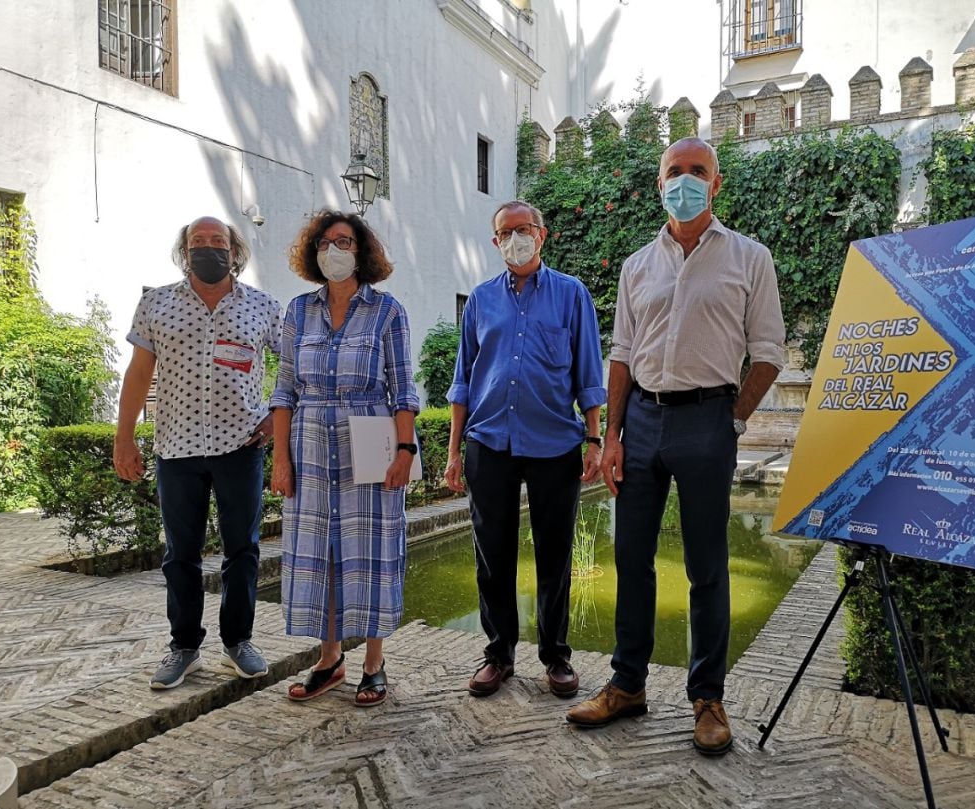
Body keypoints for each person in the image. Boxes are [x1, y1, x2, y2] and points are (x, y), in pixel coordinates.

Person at [566, 138, 785, 756]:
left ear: (716, 184)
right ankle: (627, 683)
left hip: (706, 419)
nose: (683, 181)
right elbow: (622, 354)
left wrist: (733, 419)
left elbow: (768, 352)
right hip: (641, 423)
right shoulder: (639, 265)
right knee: (630, 557)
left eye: (697, 172)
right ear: (658, 183)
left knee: (707, 566)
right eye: (673, 172)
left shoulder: (750, 258)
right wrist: (610, 435)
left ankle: (707, 698)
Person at [445, 201, 606, 698]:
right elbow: (463, 382)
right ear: (495, 242)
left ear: (542, 235)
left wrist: (595, 438)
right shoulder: (479, 300)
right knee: (491, 554)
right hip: (489, 441)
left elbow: (588, 373)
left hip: (555, 442)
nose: (514, 238)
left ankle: (556, 656)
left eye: (523, 229)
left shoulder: (571, 294)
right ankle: (498, 654)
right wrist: (454, 451)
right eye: (504, 232)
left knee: (554, 554)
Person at [114, 216, 282, 689]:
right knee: (180, 553)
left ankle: (238, 642)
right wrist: (124, 437)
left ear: (235, 250)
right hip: (177, 447)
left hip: (240, 445)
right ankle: (184, 647)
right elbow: (138, 373)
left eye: (218, 241)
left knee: (243, 550)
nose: (208, 248)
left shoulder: (263, 307)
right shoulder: (156, 303)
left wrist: (274, 415)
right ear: (184, 251)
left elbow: (295, 363)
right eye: (198, 242)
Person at [270, 210, 419, 705]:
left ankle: (373, 662)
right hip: (310, 445)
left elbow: (403, 389)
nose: (335, 250)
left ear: (362, 252)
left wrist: (404, 450)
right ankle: (329, 659)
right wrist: (280, 459)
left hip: (370, 437)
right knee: (321, 554)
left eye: (345, 241)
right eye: (326, 242)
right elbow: (284, 390)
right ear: (314, 252)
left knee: (371, 551)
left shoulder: (387, 311)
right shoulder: (298, 311)